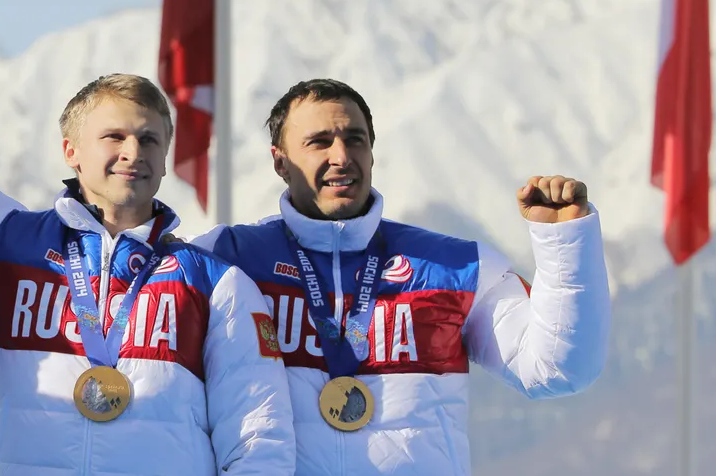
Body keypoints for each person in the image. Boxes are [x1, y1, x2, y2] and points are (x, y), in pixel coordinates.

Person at [183, 78, 611, 475]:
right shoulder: (223, 260)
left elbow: (558, 369)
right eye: (319, 142)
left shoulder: (456, 266)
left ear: (372, 152)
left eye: (355, 139)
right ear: (280, 162)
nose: (341, 156)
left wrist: (563, 241)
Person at [0, 74, 297, 475]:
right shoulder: (10, 244)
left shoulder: (215, 282)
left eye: (149, 140)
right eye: (114, 136)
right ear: (71, 150)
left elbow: (259, 438)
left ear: (165, 160)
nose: (133, 152)